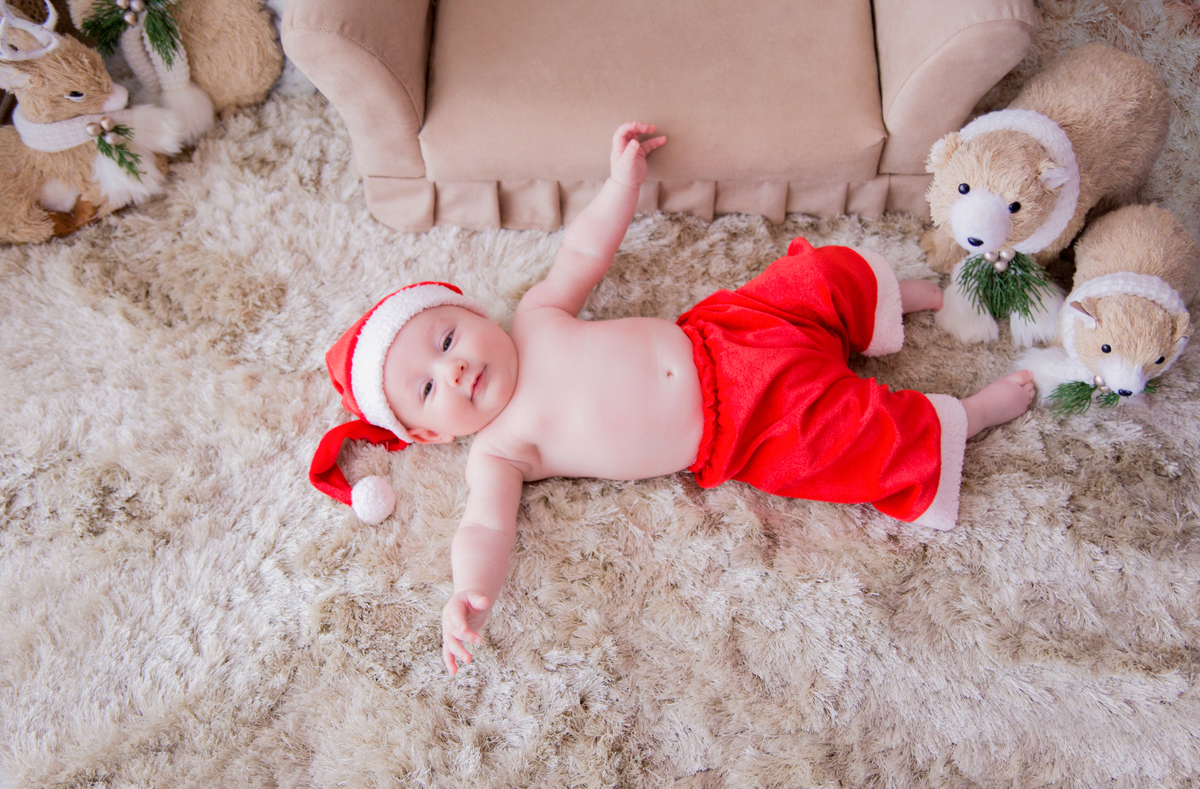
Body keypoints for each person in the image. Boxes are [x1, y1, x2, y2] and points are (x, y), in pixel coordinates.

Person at [309, 122, 1036, 674]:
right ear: (432, 436)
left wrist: (620, 182)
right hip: (742, 429)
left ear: (471, 314)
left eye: (446, 341)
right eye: (429, 390)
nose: (457, 370)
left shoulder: (536, 316)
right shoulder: (500, 450)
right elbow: (485, 530)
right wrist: (471, 593)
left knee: (814, 280)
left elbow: (584, 250)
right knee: (847, 443)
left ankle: (916, 298)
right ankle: (965, 418)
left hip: (724, 336)